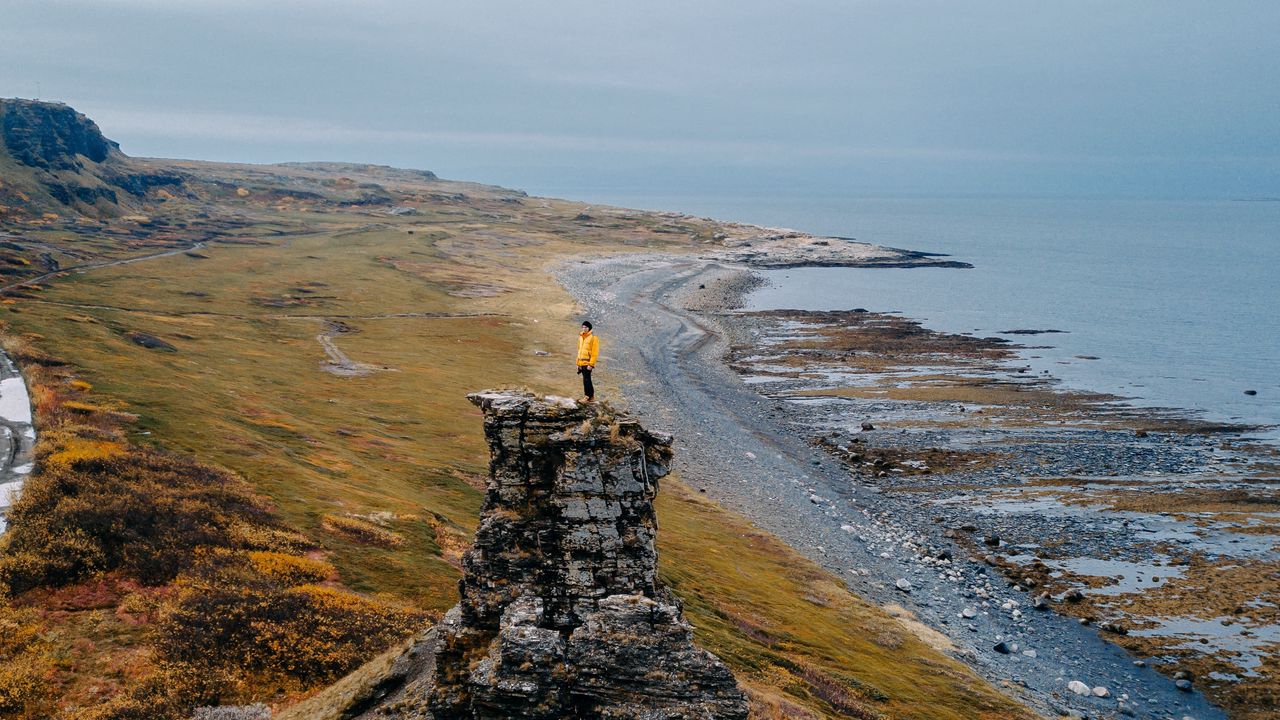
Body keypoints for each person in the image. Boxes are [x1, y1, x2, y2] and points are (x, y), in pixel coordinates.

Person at [576, 321, 599, 402]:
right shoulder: (581, 337)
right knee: (586, 379)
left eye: (586, 327)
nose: (584, 328)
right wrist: (578, 363)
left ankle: (587, 396)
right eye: (583, 327)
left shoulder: (593, 338)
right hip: (581, 362)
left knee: (586, 380)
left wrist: (591, 364)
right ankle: (591, 397)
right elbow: (579, 351)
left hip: (587, 363)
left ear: (589, 328)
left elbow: (594, 353)